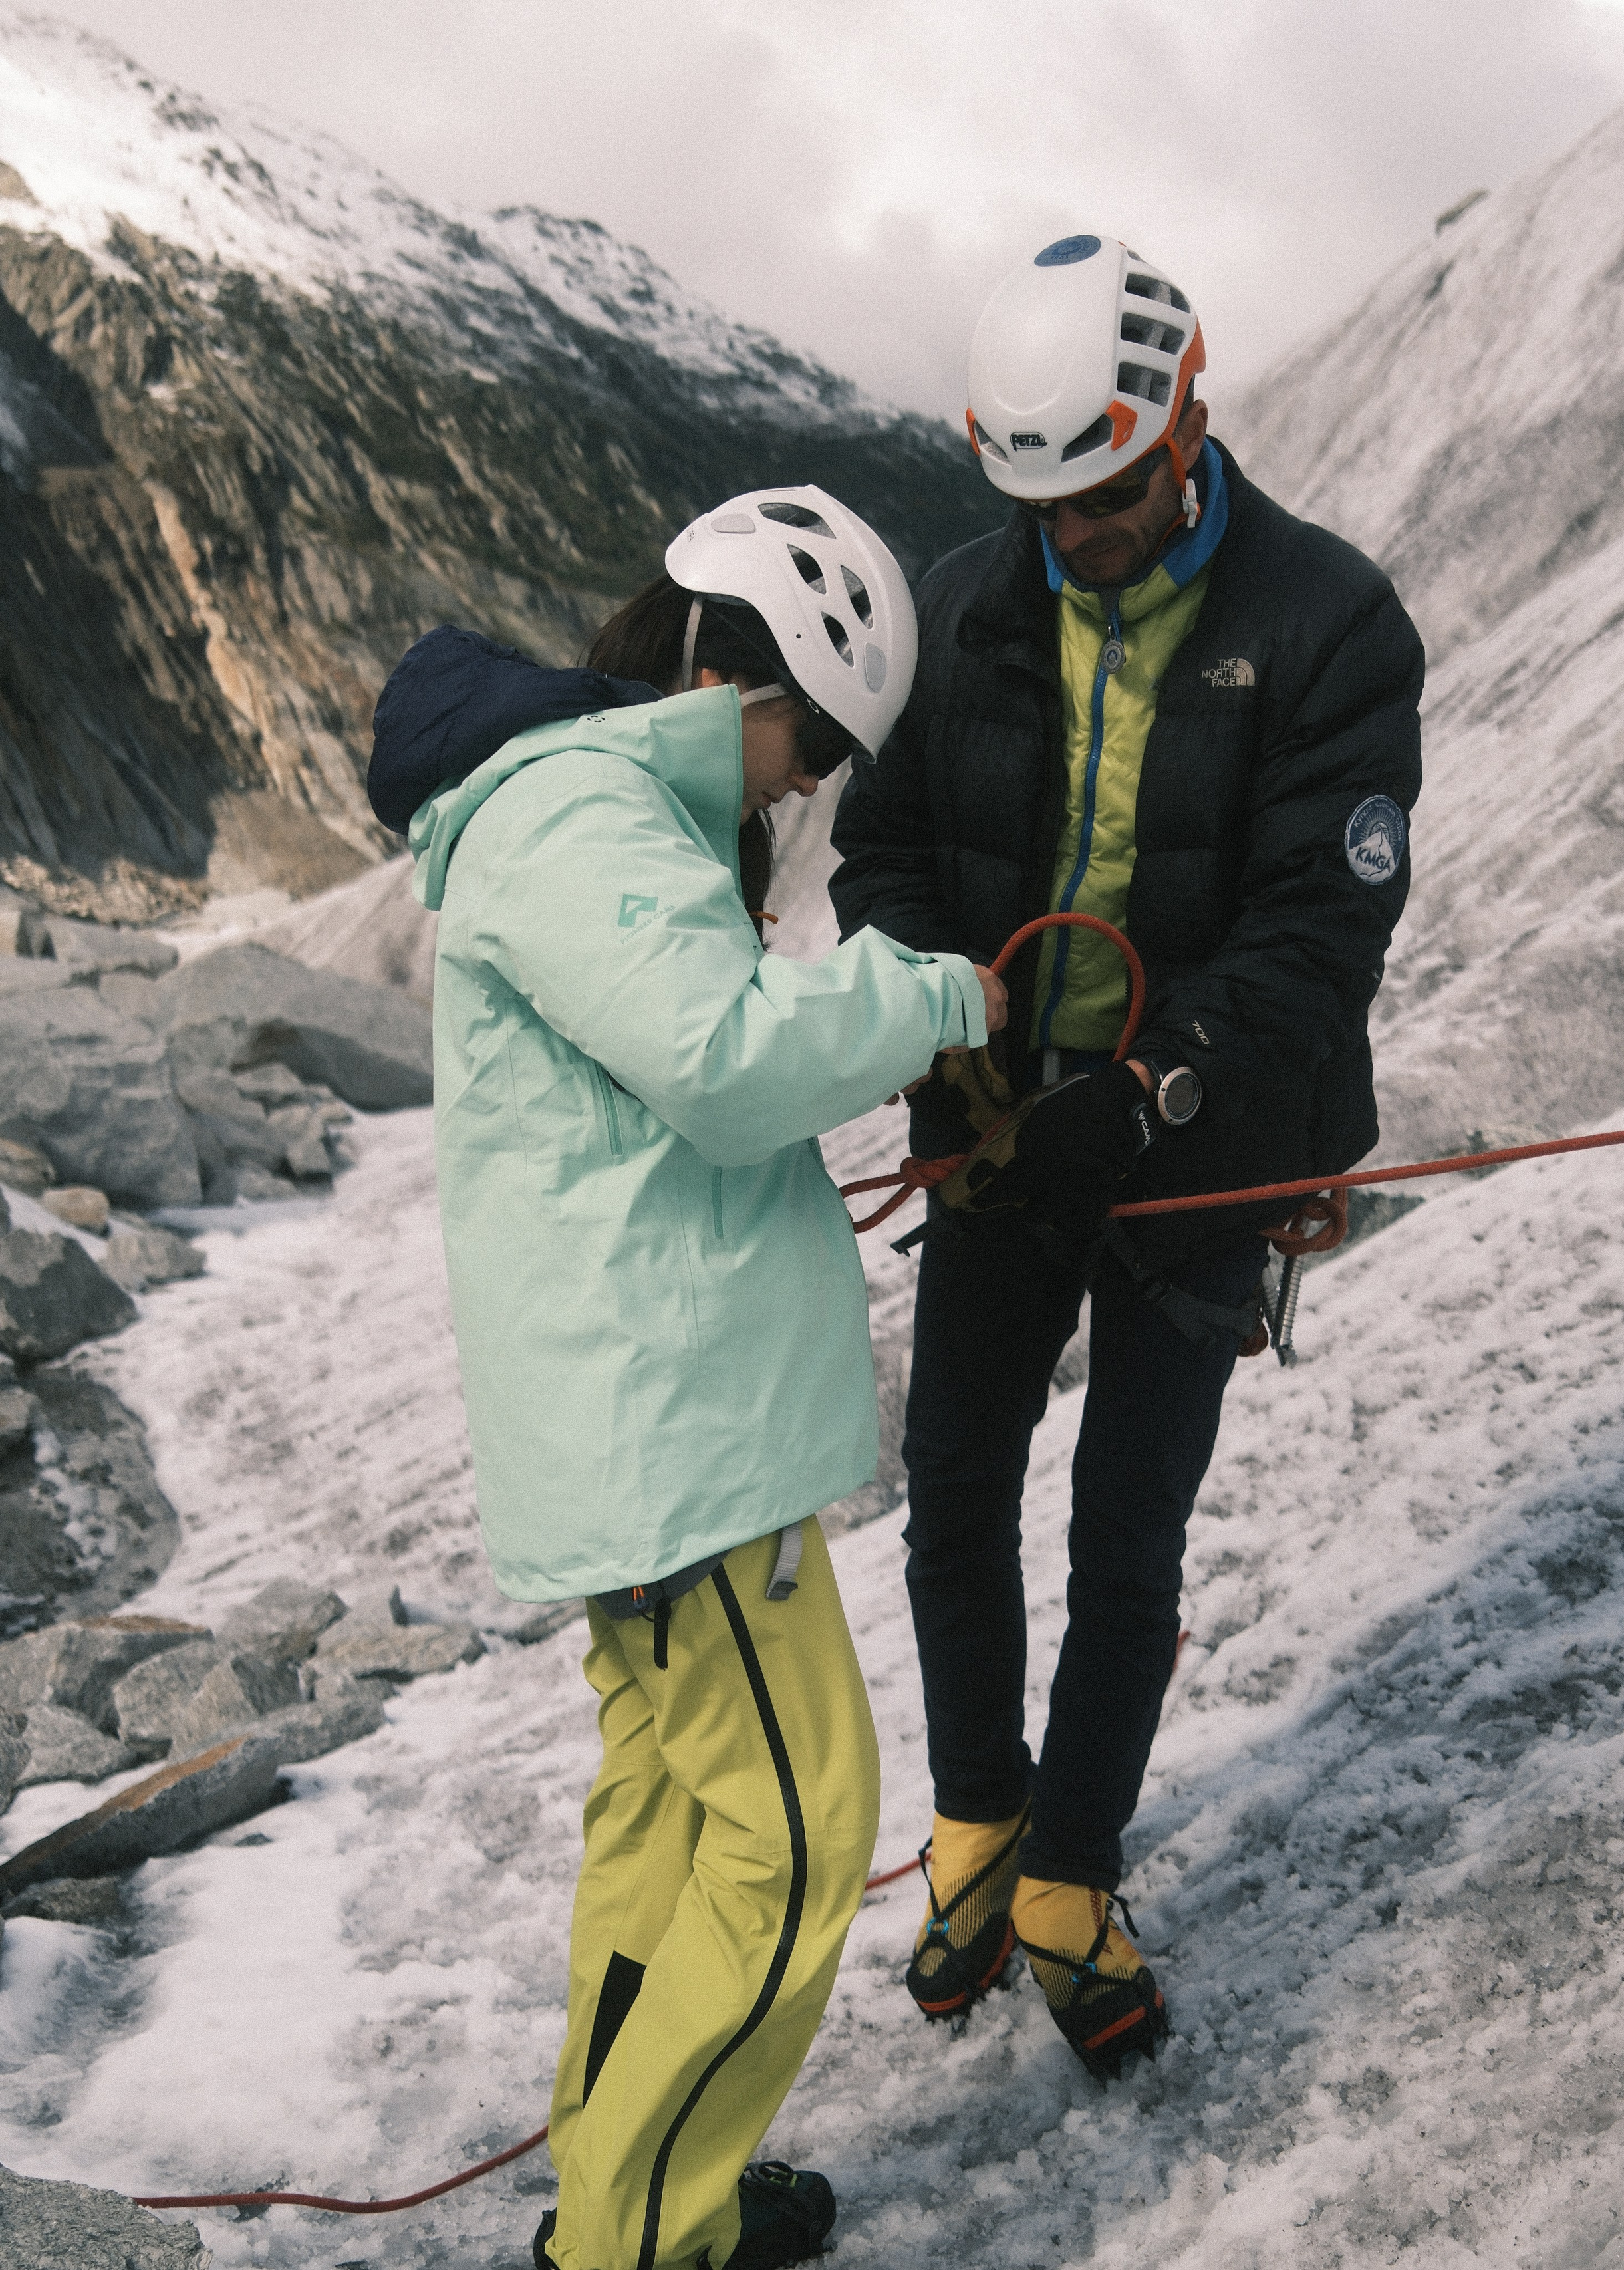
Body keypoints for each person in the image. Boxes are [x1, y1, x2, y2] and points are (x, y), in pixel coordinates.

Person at [366, 487, 1008, 2270]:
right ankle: (643, 2240)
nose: (803, 790)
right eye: (809, 743)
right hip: (678, 1455)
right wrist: (930, 996)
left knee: (671, 1831)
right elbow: (720, 1061)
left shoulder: (585, 806)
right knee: (803, 1838)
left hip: (659, 1438)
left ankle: (646, 2191)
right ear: (732, 665)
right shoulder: (580, 813)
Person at [829, 235, 1424, 2078]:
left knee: (1128, 1527)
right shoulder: (971, 596)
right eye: (1042, 505)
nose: (1071, 536)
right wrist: (962, 1020)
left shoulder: (1330, 622)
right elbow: (892, 853)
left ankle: (1074, 1877)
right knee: (953, 1486)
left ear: (1182, 426)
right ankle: (979, 1831)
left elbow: (1318, 943)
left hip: (1201, 1150)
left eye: (1100, 496)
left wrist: (1151, 1090)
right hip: (1006, 1130)